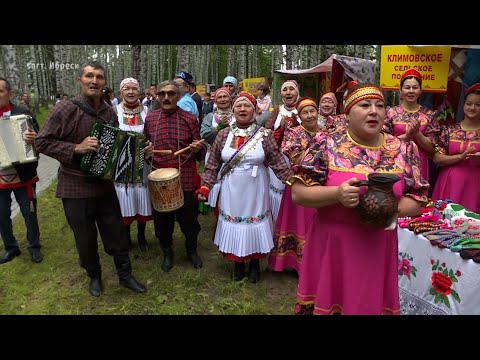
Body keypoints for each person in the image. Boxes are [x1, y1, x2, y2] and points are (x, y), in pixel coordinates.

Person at [290, 84, 429, 315]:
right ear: (347, 112)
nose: (373, 111)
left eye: (380, 106)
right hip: (333, 245)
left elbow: (418, 198)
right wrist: (336, 194)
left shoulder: (403, 149)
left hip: (375, 246)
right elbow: (298, 193)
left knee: (366, 304)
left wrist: (388, 209)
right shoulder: (326, 144)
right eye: (365, 105)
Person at [35, 61, 148, 297]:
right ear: (80, 80)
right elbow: (42, 141)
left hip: (104, 186)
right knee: (85, 239)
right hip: (75, 186)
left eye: (99, 77)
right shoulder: (65, 109)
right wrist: (76, 147)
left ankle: (125, 276)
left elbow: (117, 145)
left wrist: (137, 152)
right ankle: (94, 276)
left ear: (105, 83)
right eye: (89, 76)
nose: (94, 81)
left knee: (116, 233)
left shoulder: (109, 111)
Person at [196, 92, 292, 283]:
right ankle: (238, 263)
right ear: (233, 110)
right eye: (238, 106)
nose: (242, 109)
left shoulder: (265, 135)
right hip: (231, 188)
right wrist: (206, 186)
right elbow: (213, 163)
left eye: (246, 106)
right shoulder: (223, 135)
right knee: (236, 221)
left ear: (254, 110)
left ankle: (255, 263)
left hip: (256, 187)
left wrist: (294, 182)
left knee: (254, 221)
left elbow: (278, 162)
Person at [144, 80, 206, 272]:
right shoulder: (151, 119)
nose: (166, 97)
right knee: (162, 221)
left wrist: (198, 148)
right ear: (157, 96)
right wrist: (146, 152)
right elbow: (146, 150)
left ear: (178, 96)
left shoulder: (189, 119)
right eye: (162, 94)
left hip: (185, 173)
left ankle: (191, 250)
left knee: (189, 219)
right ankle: (167, 252)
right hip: (159, 175)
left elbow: (200, 153)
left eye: (171, 93)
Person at [268, 97, 320, 273]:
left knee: (317, 223)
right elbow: (297, 158)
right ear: (299, 115)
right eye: (305, 112)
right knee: (299, 223)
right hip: (299, 183)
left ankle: (315, 262)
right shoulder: (293, 133)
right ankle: (296, 263)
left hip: (321, 186)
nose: (310, 115)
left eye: (312, 111)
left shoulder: (326, 133)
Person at [0, 77, 43, 264]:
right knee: (1, 216)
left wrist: (34, 137)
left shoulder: (23, 114)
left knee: (29, 213)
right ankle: (11, 247)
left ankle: (34, 246)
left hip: (23, 175)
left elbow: (41, 140)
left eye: (0, 91)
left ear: (9, 94)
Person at [113, 77, 152, 251]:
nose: (130, 92)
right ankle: (126, 236)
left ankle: (142, 235)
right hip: (122, 164)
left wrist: (151, 145)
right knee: (125, 199)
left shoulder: (147, 111)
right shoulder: (114, 111)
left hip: (142, 163)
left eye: (134, 89)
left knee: (141, 197)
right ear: (121, 92)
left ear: (139, 91)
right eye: (126, 89)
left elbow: (152, 135)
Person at [383, 69, 440, 185]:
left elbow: (431, 147)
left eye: (415, 88)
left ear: (420, 91)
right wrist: (407, 136)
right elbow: (383, 142)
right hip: (394, 161)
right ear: (400, 90)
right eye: (407, 87)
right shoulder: (390, 113)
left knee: (417, 198)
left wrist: (417, 133)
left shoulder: (429, 115)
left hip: (420, 162)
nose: (411, 91)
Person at [431, 83, 480, 214]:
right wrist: (459, 157)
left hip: (475, 185)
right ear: (463, 105)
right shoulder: (449, 130)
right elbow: (436, 158)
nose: (472, 107)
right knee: (445, 222)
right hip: (450, 182)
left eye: (478, 105)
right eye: (469, 103)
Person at [264, 80, 301, 222]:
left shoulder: (304, 109)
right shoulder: (277, 111)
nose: (288, 92)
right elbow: (267, 133)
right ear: (281, 94)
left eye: (291, 89)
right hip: (279, 158)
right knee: (280, 189)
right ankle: (279, 223)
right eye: (285, 90)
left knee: (296, 188)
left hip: (299, 158)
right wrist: (280, 131)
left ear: (297, 92)